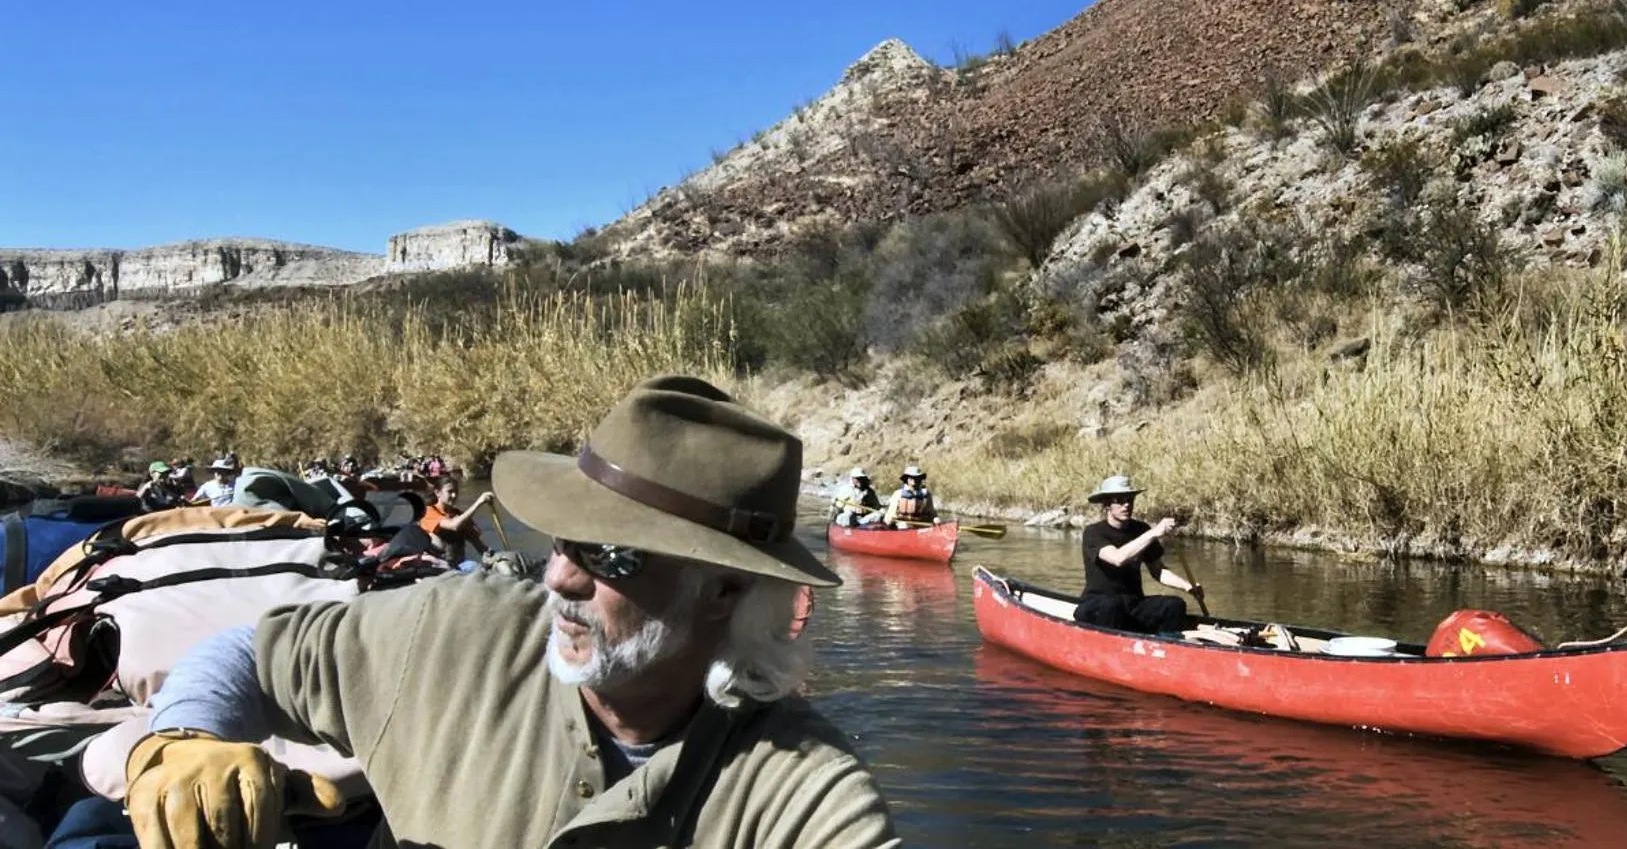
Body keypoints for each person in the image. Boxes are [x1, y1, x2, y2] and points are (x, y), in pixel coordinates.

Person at [127, 375, 900, 849]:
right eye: (565, 540)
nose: (560, 576)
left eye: (613, 556)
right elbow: (251, 656)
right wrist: (183, 739)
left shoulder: (800, 792)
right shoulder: (458, 631)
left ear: (725, 591)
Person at [1073, 474, 1202, 635]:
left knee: (1174, 605)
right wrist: (1154, 533)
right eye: (1119, 501)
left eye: (1129, 499)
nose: (1126, 505)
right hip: (1097, 605)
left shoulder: (1141, 530)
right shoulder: (1093, 532)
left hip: (1132, 604)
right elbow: (1118, 558)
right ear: (1107, 504)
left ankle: (1166, 645)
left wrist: (1188, 587)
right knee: (1113, 606)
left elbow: (1158, 571)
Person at [418, 474, 493, 565]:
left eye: (456, 491)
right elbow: (453, 525)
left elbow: (480, 547)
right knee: (472, 566)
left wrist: (494, 557)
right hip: (437, 566)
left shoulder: (460, 516)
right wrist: (478, 502)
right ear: (437, 492)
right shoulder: (428, 512)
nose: (454, 495)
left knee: (476, 566)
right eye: (450, 491)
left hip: (460, 565)